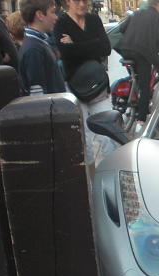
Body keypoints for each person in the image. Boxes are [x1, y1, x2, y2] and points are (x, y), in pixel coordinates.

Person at [54, 0, 113, 169]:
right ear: (68, 2)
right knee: (83, 140)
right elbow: (65, 52)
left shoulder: (94, 19)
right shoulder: (61, 22)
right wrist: (93, 44)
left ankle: (112, 174)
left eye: (85, 0)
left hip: (98, 84)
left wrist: (76, 44)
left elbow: (106, 47)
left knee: (108, 133)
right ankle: (90, 182)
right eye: (78, 0)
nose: (82, 4)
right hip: (75, 87)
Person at [116, 0, 159, 128]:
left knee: (136, 76)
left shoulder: (137, 13)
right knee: (145, 85)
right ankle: (141, 119)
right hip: (142, 53)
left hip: (126, 50)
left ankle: (132, 92)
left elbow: (122, 28)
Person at [18, 0, 65, 95]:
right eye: (52, 12)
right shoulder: (34, 49)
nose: (56, 17)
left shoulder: (39, 43)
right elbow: (37, 96)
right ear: (40, 15)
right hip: (51, 108)